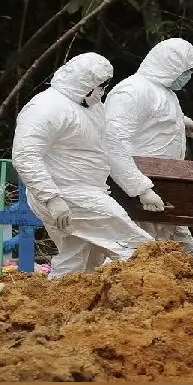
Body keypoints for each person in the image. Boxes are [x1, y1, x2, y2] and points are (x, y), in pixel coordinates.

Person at [12, 52, 154, 278]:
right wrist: (52, 197)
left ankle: (61, 295)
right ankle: (158, 285)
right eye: (101, 86)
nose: (102, 91)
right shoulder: (46, 107)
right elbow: (26, 155)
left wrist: (141, 188)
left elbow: (110, 149)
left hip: (86, 191)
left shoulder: (93, 107)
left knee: (80, 257)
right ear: (86, 84)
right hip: (67, 194)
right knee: (137, 246)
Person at [104, 38, 193, 255]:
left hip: (163, 189)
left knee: (183, 255)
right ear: (171, 66)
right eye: (186, 71)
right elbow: (113, 143)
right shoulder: (132, 90)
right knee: (135, 255)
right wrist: (141, 190)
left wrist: (179, 121)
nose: (188, 76)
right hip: (139, 194)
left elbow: (153, 115)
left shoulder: (163, 92)